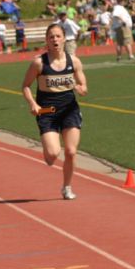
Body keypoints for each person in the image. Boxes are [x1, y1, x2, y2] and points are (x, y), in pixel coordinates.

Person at [21, 23, 88, 200]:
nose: (55, 40)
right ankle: (48, 149)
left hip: (69, 109)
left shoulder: (74, 61)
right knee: (52, 156)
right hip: (47, 111)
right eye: (51, 37)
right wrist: (32, 104)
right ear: (47, 41)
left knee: (71, 151)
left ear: (64, 39)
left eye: (58, 36)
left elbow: (83, 84)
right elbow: (25, 86)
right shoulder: (38, 63)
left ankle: (66, 187)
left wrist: (81, 89)